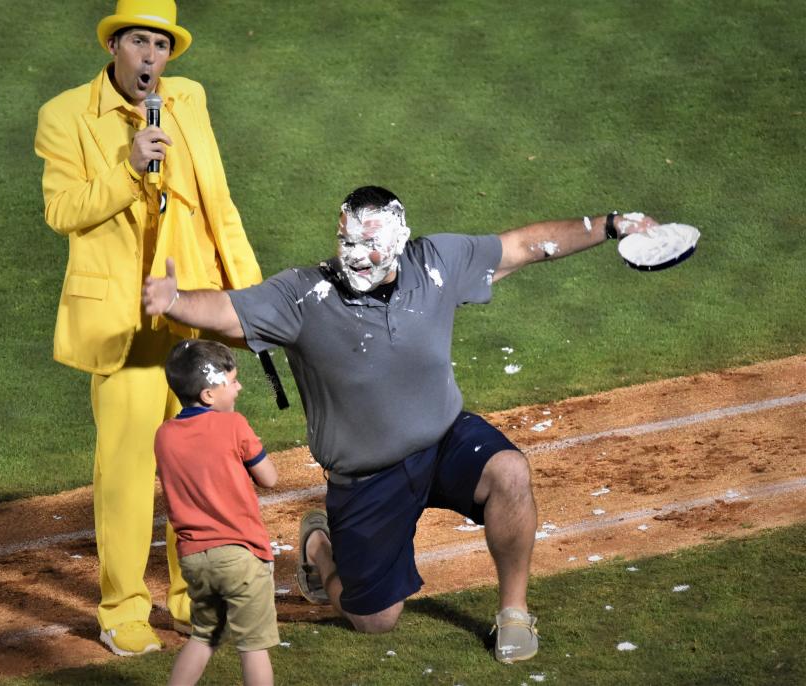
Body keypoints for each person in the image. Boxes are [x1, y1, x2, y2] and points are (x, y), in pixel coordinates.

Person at [141, 185, 657, 664]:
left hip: (444, 437)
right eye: (346, 240)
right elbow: (230, 311)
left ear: (399, 240)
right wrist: (177, 301)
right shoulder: (304, 295)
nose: (354, 254)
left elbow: (524, 245)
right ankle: (319, 547)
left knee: (511, 473)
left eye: (368, 242)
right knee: (374, 620)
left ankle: (514, 613)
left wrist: (610, 224)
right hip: (367, 476)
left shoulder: (436, 263)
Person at [33, 0, 263, 656]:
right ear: (114, 47)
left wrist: (246, 300)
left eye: (161, 47)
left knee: (202, 461)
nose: (150, 59)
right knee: (129, 467)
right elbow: (61, 210)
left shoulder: (187, 99)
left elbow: (218, 202)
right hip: (124, 320)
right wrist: (128, 167)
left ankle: (192, 593)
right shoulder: (64, 116)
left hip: (192, 311)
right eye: (139, 43)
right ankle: (122, 606)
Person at [155, 339, 279, 685]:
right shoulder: (234, 424)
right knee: (253, 647)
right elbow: (269, 478)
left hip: (195, 561)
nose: (238, 387)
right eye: (233, 380)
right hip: (241, 556)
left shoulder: (163, 436)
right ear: (209, 394)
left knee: (204, 636)